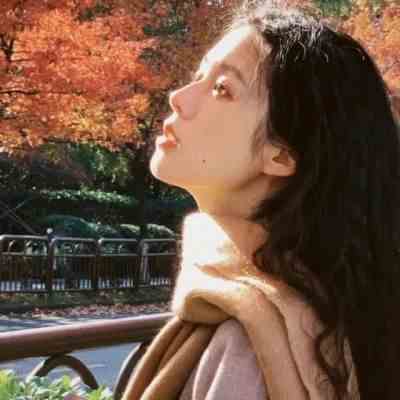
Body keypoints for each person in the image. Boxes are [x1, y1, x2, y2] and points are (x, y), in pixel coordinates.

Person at [120, 0, 400, 399]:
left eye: (222, 89)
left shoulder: (250, 346)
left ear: (282, 155)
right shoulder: (321, 309)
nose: (179, 97)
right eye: (199, 76)